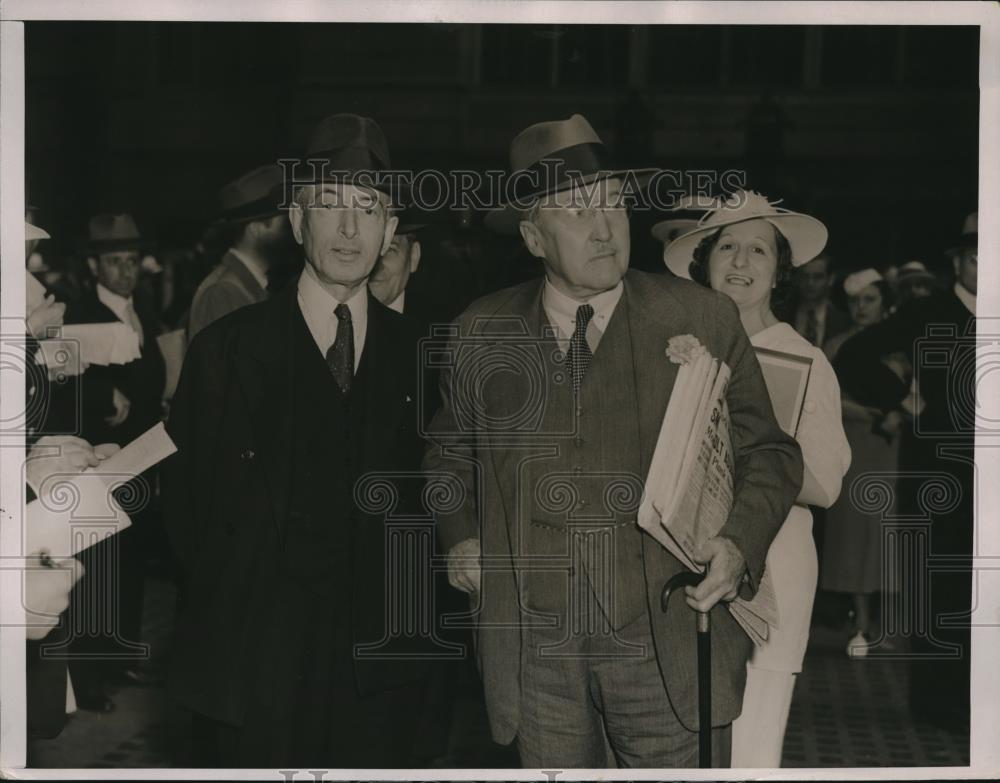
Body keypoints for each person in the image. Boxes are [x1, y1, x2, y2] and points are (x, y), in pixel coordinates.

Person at [424, 115, 803, 768]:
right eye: (576, 211)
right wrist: (460, 533)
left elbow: (770, 453)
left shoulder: (697, 316)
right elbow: (447, 453)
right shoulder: (481, 329)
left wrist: (738, 542)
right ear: (532, 237)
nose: (604, 228)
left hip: (668, 637)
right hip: (537, 650)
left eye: (613, 206)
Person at [163, 113, 433, 767]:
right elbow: (184, 508)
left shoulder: (428, 356)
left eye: (368, 210)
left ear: (391, 229)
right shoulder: (226, 349)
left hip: (384, 675)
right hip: (255, 669)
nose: (349, 229)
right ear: (296, 219)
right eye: (329, 206)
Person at [663, 190, 851, 767]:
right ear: (705, 262)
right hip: (679, 552)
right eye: (727, 247)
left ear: (778, 273)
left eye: (758, 251)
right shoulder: (677, 348)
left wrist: (748, 444)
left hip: (774, 561)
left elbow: (826, 484)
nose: (740, 262)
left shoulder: (802, 359)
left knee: (752, 741)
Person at [834, 212, 977, 729]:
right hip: (940, 472)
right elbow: (854, 355)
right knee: (943, 589)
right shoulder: (928, 310)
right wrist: (908, 403)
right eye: (976, 258)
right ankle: (940, 708)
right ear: (958, 263)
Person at [59, 212, 167, 712]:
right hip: (99, 462)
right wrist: (105, 395)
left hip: (140, 459)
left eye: (130, 262)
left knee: (131, 561)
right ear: (93, 266)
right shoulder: (79, 314)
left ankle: (119, 650)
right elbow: (65, 387)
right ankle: (89, 675)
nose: (125, 272)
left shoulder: (141, 308)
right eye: (114, 263)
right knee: (97, 569)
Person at [819, 269, 899, 657]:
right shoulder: (836, 346)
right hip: (854, 445)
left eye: (869, 299)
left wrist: (901, 413)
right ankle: (861, 622)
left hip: (895, 449)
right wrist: (864, 412)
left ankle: (891, 623)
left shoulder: (899, 344)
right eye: (855, 301)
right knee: (856, 533)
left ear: (885, 302)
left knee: (891, 531)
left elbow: (921, 391)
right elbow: (824, 399)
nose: (861, 308)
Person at [187, 164, 291, 339]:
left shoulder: (250, 286)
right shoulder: (223, 293)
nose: (293, 231)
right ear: (256, 228)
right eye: (284, 224)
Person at [791, 253, 852, 348]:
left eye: (818, 277)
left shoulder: (845, 322)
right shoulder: (781, 316)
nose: (810, 283)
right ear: (797, 278)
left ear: (831, 279)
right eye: (805, 276)